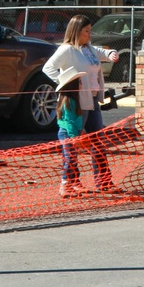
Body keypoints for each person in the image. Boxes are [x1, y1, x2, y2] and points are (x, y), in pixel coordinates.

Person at [42, 14, 119, 191]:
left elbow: (102, 53)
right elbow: (48, 68)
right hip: (75, 102)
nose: (89, 34)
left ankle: (103, 182)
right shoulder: (67, 50)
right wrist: (66, 83)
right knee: (71, 141)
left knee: (97, 141)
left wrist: (110, 53)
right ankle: (69, 183)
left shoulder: (89, 48)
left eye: (90, 30)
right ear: (76, 31)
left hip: (92, 100)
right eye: (86, 31)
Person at [55, 67, 87, 197]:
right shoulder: (68, 101)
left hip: (73, 133)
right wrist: (74, 137)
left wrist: (82, 131)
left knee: (72, 158)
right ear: (73, 85)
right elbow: (69, 122)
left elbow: (77, 120)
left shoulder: (74, 100)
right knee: (69, 158)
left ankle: (72, 183)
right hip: (67, 133)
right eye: (79, 82)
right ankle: (64, 184)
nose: (81, 84)